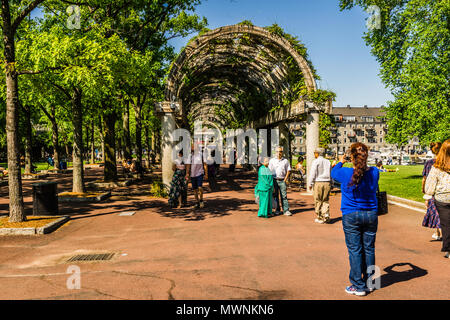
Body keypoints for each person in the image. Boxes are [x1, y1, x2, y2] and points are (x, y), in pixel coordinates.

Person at [331, 143, 379, 296]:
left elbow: (333, 172)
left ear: (351, 157)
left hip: (351, 214)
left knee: (355, 250)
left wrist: (341, 160)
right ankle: (371, 282)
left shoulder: (344, 173)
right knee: (369, 249)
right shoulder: (375, 172)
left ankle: (358, 285)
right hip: (370, 213)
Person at [424, 139, 450, 259]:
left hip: (442, 199)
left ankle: (449, 248)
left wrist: (428, 196)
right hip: (443, 199)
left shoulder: (437, 167)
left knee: (446, 224)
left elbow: (430, 185)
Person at [422, 142, 442, 240]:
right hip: (442, 189)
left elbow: (424, 178)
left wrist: (423, 189)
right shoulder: (445, 162)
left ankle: (438, 232)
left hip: (432, 190)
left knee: (435, 211)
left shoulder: (429, 163)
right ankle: (439, 232)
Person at [309, 148, 332, 224]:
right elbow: (330, 172)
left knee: (318, 200)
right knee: (325, 199)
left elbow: (313, 173)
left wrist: (310, 183)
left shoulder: (315, 161)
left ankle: (320, 217)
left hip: (318, 182)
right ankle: (326, 213)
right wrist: (331, 182)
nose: (314, 154)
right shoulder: (328, 162)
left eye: (314, 152)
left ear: (317, 153)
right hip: (327, 182)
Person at [269, 146, 292, 216]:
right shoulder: (272, 160)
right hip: (275, 180)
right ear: (275, 152)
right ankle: (277, 210)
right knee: (275, 195)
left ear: (282, 152)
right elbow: (269, 170)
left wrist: (285, 179)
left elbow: (289, 170)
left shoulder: (285, 161)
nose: (279, 153)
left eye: (280, 151)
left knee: (284, 196)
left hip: (282, 180)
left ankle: (286, 210)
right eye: (277, 151)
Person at [186, 143, 208, 209]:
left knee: (200, 187)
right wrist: (187, 173)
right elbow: (188, 165)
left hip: (200, 173)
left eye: (193, 147)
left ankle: (201, 200)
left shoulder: (201, 155)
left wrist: (206, 174)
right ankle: (197, 202)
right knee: (195, 190)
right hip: (193, 174)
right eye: (192, 147)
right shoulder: (190, 155)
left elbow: (205, 164)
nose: (192, 148)